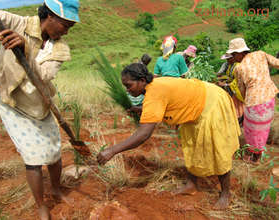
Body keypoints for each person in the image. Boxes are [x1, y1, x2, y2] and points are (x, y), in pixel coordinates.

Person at [97, 63, 241, 209]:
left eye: (129, 85)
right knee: (191, 146)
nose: (127, 90)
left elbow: (144, 133)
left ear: (141, 80)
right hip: (196, 105)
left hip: (211, 102)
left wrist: (112, 151)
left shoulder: (154, 91)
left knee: (217, 149)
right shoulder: (152, 87)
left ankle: (225, 194)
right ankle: (191, 185)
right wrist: (141, 109)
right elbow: (164, 101)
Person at [0, 0, 80, 219]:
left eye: (70, 28)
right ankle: (40, 205)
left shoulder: (61, 48)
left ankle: (56, 190)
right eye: (65, 25)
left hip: (40, 103)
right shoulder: (18, 23)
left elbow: (44, 75)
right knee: (33, 157)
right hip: (14, 102)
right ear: (50, 17)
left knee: (54, 153)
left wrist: (26, 49)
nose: (66, 31)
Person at [228, 38, 279, 162]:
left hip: (254, 102)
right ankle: (257, 153)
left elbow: (241, 89)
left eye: (234, 54)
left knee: (252, 130)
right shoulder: (260, 54)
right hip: (270, 98)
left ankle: (255, 157)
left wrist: (245, 99)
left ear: (241, 53)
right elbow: (277, 63)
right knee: (263, 128)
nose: (234, 58)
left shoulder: (239, 69)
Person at [217, 53, 244, 123]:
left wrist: (225, 84)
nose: (227, 60)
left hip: (237, 88)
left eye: (229, 59)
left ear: (233, 58)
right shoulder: (229, 65)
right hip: (232, 86)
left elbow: (237, 81)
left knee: (238, 105)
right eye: (227, 59)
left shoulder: (237, 66)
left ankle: (239, 119)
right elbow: (227, 76)